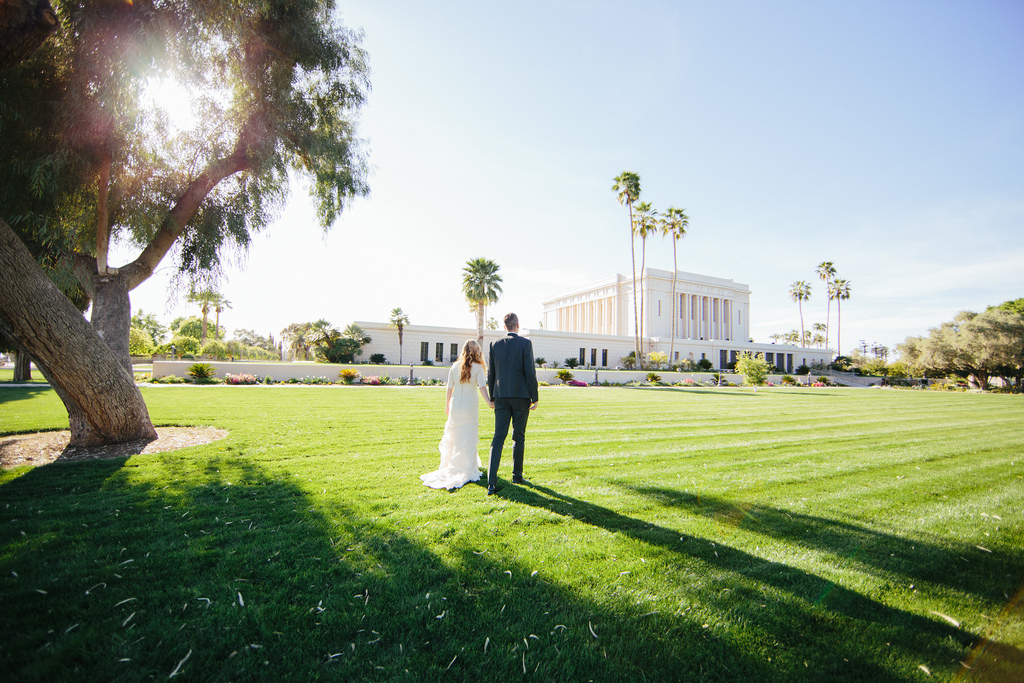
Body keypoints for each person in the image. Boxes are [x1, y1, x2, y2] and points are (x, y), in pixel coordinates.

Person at [421, 340, 494, 490]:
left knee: (455, 435)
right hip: (469, 406)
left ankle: (457, 463)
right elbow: (482, 387)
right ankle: (465, 466)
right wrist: (489, 402)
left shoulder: (454, 366)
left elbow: (449, 388)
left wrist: (447, 405)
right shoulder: (478, 367)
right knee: (467, 435)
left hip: (455, 406)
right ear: (477, 351)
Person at [486, 312, 539, 495]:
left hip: (500, 396)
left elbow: (491, 373)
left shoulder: (494, 344)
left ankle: (491, 483)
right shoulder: (525, 343)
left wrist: (492, 396)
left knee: (498, 438)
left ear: (504, 327)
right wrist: (535, 397)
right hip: (521, 396)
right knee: (519, 437)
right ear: (518, 325)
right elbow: (530, 372)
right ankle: (517, 476)